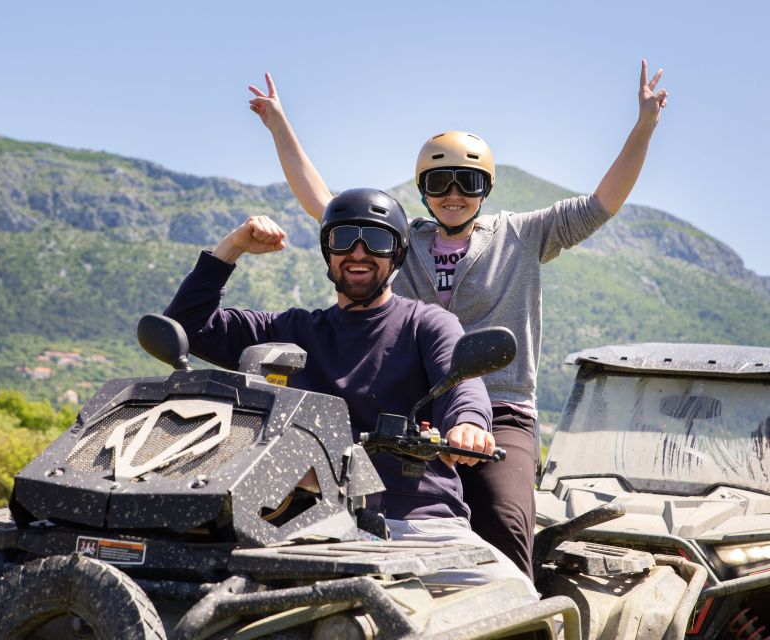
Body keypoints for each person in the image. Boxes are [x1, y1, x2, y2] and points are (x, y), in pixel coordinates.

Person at [247, 61, 669, 579]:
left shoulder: (522, 234)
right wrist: (278, 125)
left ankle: (518, 616)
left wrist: (645, 124)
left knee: (505, 518)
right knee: (346, 519)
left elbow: (602, 203)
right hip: (409, 411)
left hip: (501, 408)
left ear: (485, 187)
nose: (453, 193)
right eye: (439, 181)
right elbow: (326, 203)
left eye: (467, 181)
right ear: (423, 188)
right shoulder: (399, 239)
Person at [164, 187, 535, 591]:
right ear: (328, 252)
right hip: (309, 521)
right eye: (344, 239)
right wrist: (232, 247)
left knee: (514, 596)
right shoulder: (293, 330)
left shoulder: (426, 323)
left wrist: (468, 424)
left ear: (396, 254)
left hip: (416, 521)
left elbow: (461, 382)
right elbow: (189, 324)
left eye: (375, 240)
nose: (358, 252)